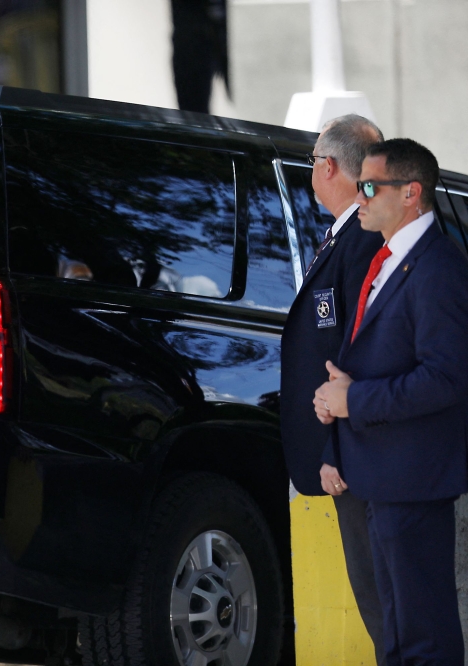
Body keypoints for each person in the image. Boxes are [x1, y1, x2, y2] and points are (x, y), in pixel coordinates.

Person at [315, 138, 468, 665]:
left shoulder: (437, 268)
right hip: (381, 477)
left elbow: (445, 378)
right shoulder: (389, 260)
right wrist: (338, 397)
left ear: (411, 193)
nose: (359, 198)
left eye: (369, 187)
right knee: (397, 637)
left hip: (414, 480)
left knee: (424, 637)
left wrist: (355, 400)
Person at [279, 114, 386, 662]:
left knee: (382, 601)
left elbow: (356, 355)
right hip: (350, 450)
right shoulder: (345, 236)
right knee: (376, 599)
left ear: (328, 167)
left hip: (357, 454)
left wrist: (334, 450)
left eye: (313, 161)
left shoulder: (363, 240)